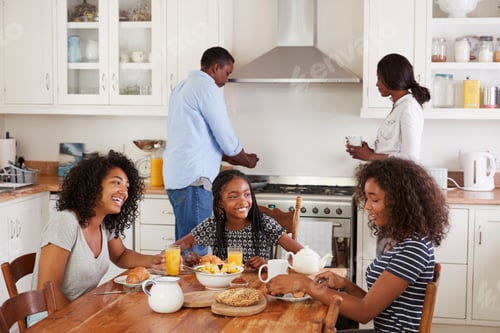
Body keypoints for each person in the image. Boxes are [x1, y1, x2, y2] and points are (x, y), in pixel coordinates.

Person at [267, 158, 449, 332]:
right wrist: (345, 284)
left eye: (375, 200)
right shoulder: (397, 239)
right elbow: (375, 303)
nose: (367, 207)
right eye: (367, 198)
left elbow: (364, 312)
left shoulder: (413, 249)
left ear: (399, 202)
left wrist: (305, 284)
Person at [31, 151, 163, 313]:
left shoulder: (104, 222)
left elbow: (121, 255)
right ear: (92, 185)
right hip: (51, 319)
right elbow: (48, 292)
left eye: (127, 186)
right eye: (116, 183)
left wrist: (153, 260)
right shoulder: (65, 223)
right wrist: (83, 323)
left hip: (83, 311)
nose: (124, 192)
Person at [163, 46, 259, 256]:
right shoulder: (206, 88)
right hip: (195, 179)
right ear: (216, 68)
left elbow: (201, 138)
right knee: (194, 250)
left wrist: (232, 156)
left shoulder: (182, 87)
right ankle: (192, 289)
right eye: (227, 73)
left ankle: (184, 289)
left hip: (178, 178)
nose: (226, 80)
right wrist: (246, 159)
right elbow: (224, 135)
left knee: (184, 246)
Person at [175, 169, 303, 269]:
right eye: (233, 197)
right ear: (220, 202)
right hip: (223, 288)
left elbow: (304, 255)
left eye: (247, 194)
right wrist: (188, 257)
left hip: (260, 289)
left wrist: (268, 264)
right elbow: (176, 247)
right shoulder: (213, 225)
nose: (243, 201)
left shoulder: (264, 224)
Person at [346, 53, 431, 162]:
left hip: (397, 178)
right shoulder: (400, 106)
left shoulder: (409, 108)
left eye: (380, 78)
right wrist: (370, 152)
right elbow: (392, 151)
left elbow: (411, 158)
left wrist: (370, 156)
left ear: (391, 77)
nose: (377, 84)